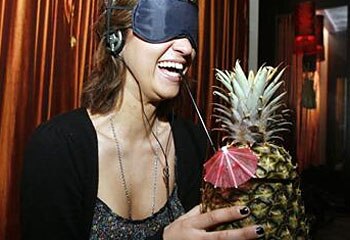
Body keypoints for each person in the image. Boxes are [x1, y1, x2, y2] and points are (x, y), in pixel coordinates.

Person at [21, 0, 265, 239]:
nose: (187, 48)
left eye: (190, 32)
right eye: (165, 22)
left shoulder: (193, 142)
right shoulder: (58, 148)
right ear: (115, 38)